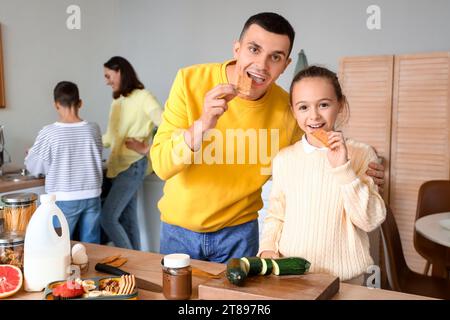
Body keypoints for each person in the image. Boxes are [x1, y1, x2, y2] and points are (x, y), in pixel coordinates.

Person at [150, 12, 385, 263]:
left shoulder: (289, 108)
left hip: (239, 236)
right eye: (253, 49)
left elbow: (313, 158)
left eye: (275, 57)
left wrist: (361, 172)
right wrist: (202, 124)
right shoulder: (189, 81)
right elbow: (162, 166)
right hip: (178, 233)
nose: (261, 65)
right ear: (237, 49)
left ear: (285, 64)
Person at [258, 66, 386, 284]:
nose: (314, 116)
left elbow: (368, 220)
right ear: (293, 110)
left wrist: (343, 168)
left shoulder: (362, 154)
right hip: (292, 276)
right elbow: (276, 214)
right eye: (303, 107)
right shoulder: (284, 159)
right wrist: (267, 249)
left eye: (324, 105)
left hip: (345, 280)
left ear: (340, 105)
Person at [25, 81, 103, 243]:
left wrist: (30, 154)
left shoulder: (50, 132)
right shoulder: (93, 129)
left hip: (65, 197)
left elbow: (35, 166)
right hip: (93, 195)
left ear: (56, 104)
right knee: (92, 246)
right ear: (80, 103)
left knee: (58, 244)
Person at [101, 56, 163, 250]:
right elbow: (110, 138)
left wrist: (146, 148)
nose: (107, 81)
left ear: (119, 71)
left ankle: (128, 262)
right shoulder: (117, 102)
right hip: (116, 167)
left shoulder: (144, 97)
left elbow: (166, 125)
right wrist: (83, 139)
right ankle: (136, 267)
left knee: (107, 218)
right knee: (128, 220)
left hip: (133, 166)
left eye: (108, 75)